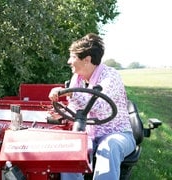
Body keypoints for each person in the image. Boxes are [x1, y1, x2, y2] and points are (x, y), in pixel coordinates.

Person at [48, 33, 136, 180]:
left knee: (109, 146)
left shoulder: (111, 76)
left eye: (73, 57)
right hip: (90, 134)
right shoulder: (78, 78)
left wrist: (68, 93)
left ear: (87, 60)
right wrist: (62, 112)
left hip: (118, 133)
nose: (69, 61)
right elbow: (77, 108)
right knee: (71, 146)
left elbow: (100, 105)